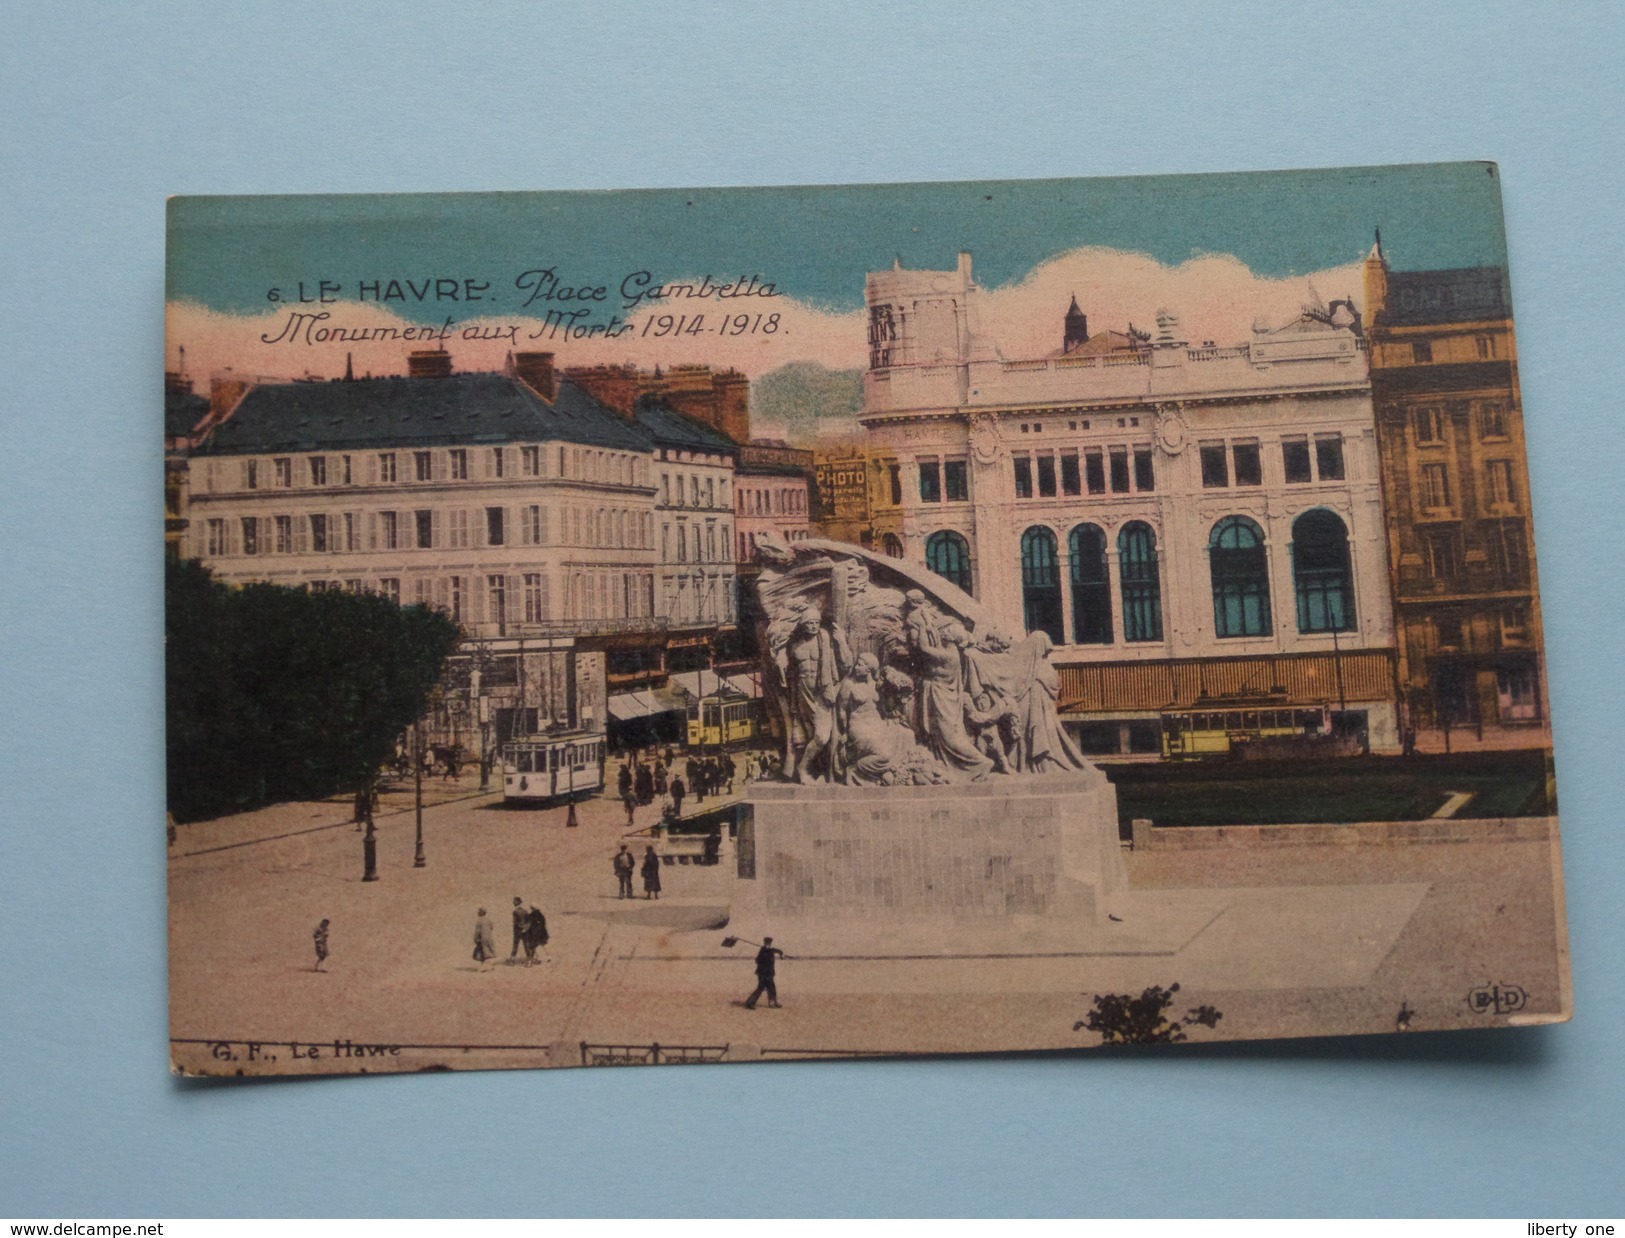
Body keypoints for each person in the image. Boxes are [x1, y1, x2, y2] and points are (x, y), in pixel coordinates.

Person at [743, 937, 785, 1009]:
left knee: (771, 988)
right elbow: (757, 960)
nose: (768, 944)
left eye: (769, 943)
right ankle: (750, 1003)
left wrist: (781, 954)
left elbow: (779, 951)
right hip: (763, 973)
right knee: (761, 988)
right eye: (767, 943)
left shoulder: (771, 950)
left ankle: (772, 1003)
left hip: (769, 973)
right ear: (765, 943)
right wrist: (766, 952)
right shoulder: (763, 951)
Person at [510, 896, 529, 961]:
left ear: (516, 902)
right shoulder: (525, 911)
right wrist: (525, 928)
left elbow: (515, 922)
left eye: (514, 901)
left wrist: (519, 927)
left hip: (517, 931)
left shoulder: (515, 912)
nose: (513, 903)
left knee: (515, 945)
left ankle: (512, 960)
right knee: (526, 945)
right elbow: (528, 921)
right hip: (525, 931)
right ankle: (529, 959)